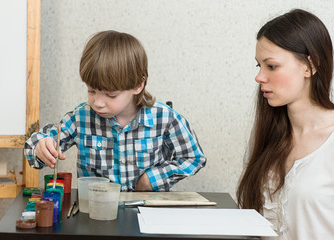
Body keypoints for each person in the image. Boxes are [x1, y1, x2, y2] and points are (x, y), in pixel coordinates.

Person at [24, 30, 206, 192]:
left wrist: (153, 179)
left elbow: (194, 157)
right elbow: (33, 144)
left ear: (138, 85)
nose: (98, 102)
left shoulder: (164, 117)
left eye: (110, 95)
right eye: (91, 91)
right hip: (96, 216)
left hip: (149, 213)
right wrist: (40, 148)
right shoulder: (81, 118)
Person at [236, 9, 334, 239]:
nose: (259, 77)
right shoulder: (268, 134)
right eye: (258, 66)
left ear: (310, 65)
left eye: (271, 66)